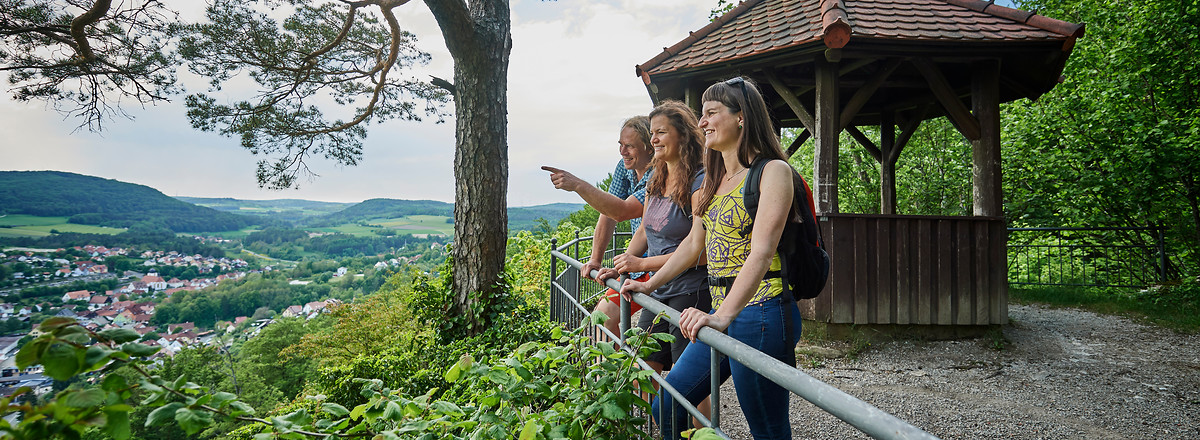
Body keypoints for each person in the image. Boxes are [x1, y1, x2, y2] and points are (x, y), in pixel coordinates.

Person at [622, 76, 803, 440]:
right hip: (722, 310)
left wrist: (721, 316)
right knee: (668, 404)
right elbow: (692, 246)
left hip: (762, 311)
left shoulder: (772, 172)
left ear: (741, 117)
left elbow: (761, 252)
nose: (702, 121)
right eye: (701, 114)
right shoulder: (713, 180)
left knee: (767, 429)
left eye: (711, 112)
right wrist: (648, 285)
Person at [595, 100, 710, 375]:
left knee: (686, 381)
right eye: (652, 133)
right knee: (641, 373)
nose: (654, 139)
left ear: (683, 135)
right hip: (659, 288)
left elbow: (700, 250)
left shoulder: (700, 181)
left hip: (690, 289)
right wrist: (624, 265)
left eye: (661, 132)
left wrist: (641, 265)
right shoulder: (656, 179)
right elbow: (644, 229)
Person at [542, 116, 653, 338]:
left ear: (649, 148)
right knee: (601, 319)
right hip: (637, 265)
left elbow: (621, 211)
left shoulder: (659, 175)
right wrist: (595, 259)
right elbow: (608, 212)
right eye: (620, 144)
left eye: (630, 146)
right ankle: (619, 359)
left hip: (658, 266)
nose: (622, 151)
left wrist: (578, 185)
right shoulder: (625, 167)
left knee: (647, 342)